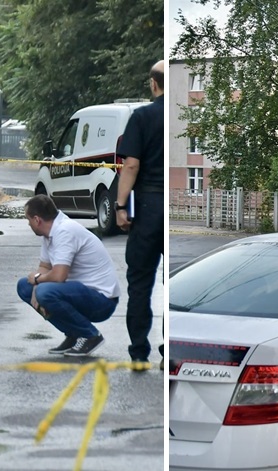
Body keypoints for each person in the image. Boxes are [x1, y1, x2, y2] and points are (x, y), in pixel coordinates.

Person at [17, 195, 121, 357]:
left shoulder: (64, 231)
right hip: (79, 293)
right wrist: (35, 286)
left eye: (28, 219)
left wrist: (37, 280)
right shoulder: (49, 233)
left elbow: (59, 276)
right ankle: (74, 334)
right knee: (24, 286)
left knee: (45, 292)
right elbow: (45, 266)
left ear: (37, 220)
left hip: (102, 300)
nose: (28, 223)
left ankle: (90, 335)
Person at [115, 59, 165, 364]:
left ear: (152, 83)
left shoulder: (142, 116)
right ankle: (168, 353)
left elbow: (130, 165)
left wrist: (121, 206)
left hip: (146, 208)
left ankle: (138, 352)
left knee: (141, 283)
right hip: (168, 207)